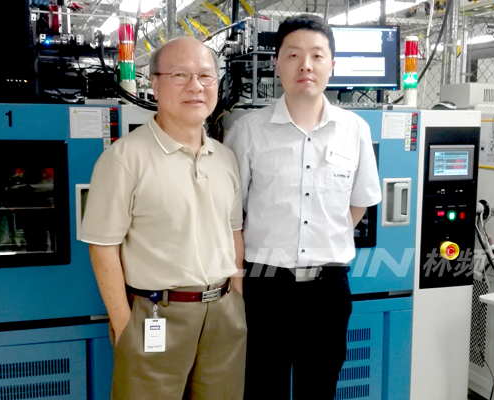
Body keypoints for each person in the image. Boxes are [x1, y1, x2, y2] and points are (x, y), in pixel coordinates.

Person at [224, 14, 382, 400]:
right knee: (262, 389)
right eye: (293, 55)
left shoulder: (355, 130)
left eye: (317, 55)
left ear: (332, 65)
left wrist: (323, 237)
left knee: (320, 389)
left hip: (328, 292)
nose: (305, 65)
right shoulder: (247, 131)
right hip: (265, 289)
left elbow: (358, 204)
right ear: (276, 63)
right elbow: (232, 216)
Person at [81, 36, 246, 400]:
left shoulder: (225, 158)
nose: (195, 86)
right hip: (156, 313)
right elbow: (102, 247)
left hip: (223, 314)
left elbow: (234, 233)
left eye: (205, 76)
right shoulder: (124, 159)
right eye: (180, 75)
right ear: (154, 84)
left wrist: (236, 298)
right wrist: (124, 324)